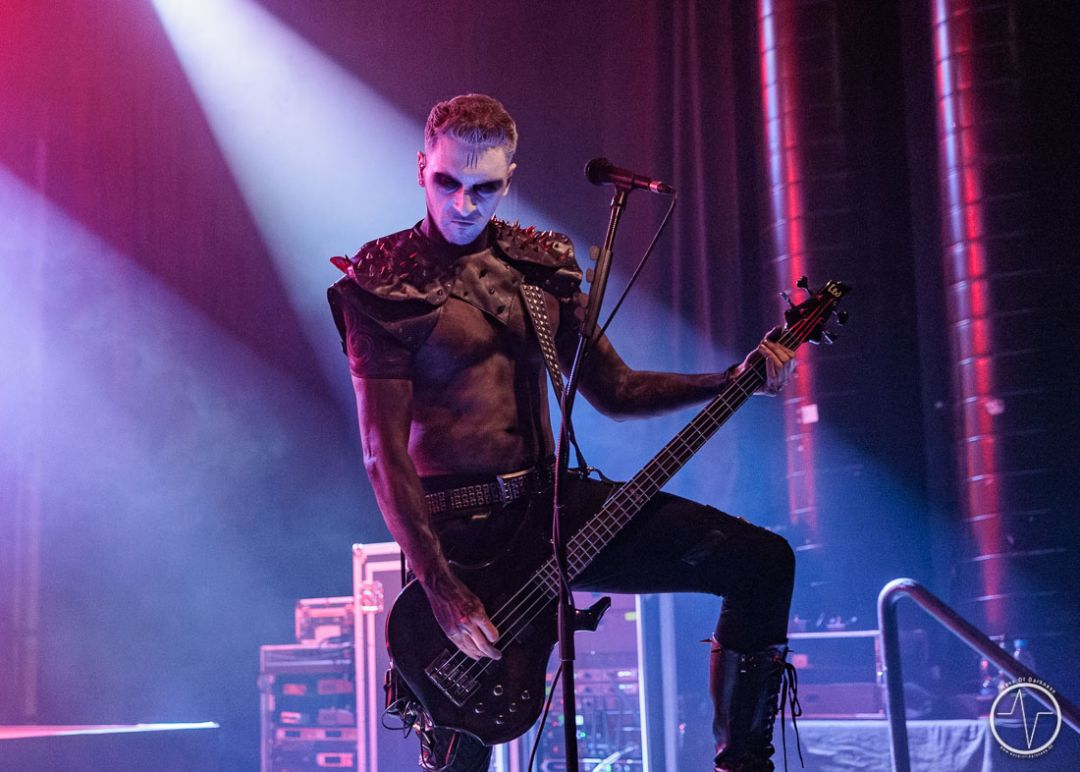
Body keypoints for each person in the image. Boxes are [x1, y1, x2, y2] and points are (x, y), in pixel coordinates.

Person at [328, 94, 798, 772]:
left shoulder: (538, 270)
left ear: (509, 180)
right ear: (422, 167)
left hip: (553, 507)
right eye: (448, 181)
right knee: (465, 745)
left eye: (484, 188)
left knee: (761, 562)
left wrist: (730, 379)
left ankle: (744, 765)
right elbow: (382, 454)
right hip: (459, 536)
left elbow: (617, 390)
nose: (463, 203)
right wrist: (437, 583)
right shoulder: (387, 284)